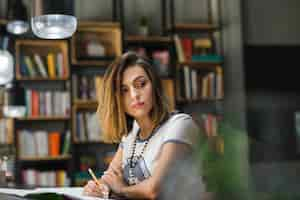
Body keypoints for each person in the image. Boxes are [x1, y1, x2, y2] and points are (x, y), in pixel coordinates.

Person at [83, 52, 203, 199]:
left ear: (154, 85)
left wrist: (119, 190)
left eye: (141, 84)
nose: (134, 95)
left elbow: (154, 190)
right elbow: (109, 178)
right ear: (117, 99)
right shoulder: (130, 135)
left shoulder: (180, 125)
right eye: (124, 90)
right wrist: (97, 187)